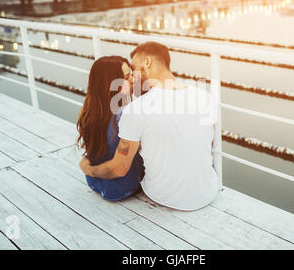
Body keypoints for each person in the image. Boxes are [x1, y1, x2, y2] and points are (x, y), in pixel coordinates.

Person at [79, 42, 221, 211]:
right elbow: (203, 143)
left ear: (147, 62)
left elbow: (119, 168)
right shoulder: (205, 96)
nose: (133, 76)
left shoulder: (136, 109)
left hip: (163, 196)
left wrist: (89, 170)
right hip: (208, 191)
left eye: (133, 68)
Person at [76, 56, 144, 201]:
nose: (133, 79)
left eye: (131, 73)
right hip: (123, 187)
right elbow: (119, 168)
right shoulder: (126, 114)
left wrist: (89, 170)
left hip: (94, 183)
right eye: (126, 77)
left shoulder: (91, 111)